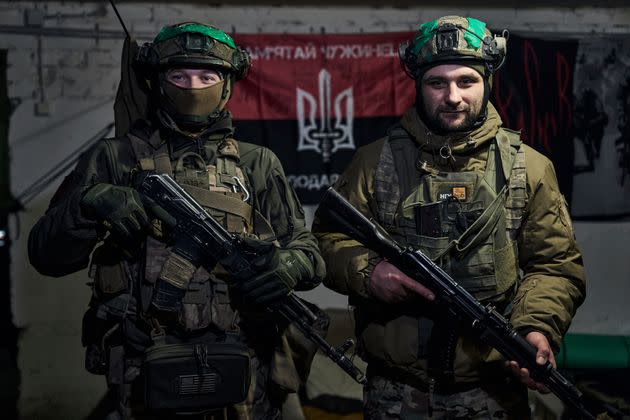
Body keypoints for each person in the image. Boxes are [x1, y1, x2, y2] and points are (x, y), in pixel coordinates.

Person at [28, 22, 325, 419]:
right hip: (144, 373)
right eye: (179, 75)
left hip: (243, 373)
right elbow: (46, 255)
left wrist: (286, 265)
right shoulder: (115, 159)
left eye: (207, 76)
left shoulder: (256, 163)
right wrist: (90, 202)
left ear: (227, 85)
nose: (193, 87)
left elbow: (309, 254)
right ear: (156, 81)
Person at [313, 15, 586, 419]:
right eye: (437, 83)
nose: (453, 96)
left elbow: (555, 265)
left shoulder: (529, 168)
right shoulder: (376, 163)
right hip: (395, 392)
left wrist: (537, 327)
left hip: (494, 392)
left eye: (466, 81)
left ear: (487, 82)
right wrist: (369, 272)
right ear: (419, 86)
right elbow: (326, 241)